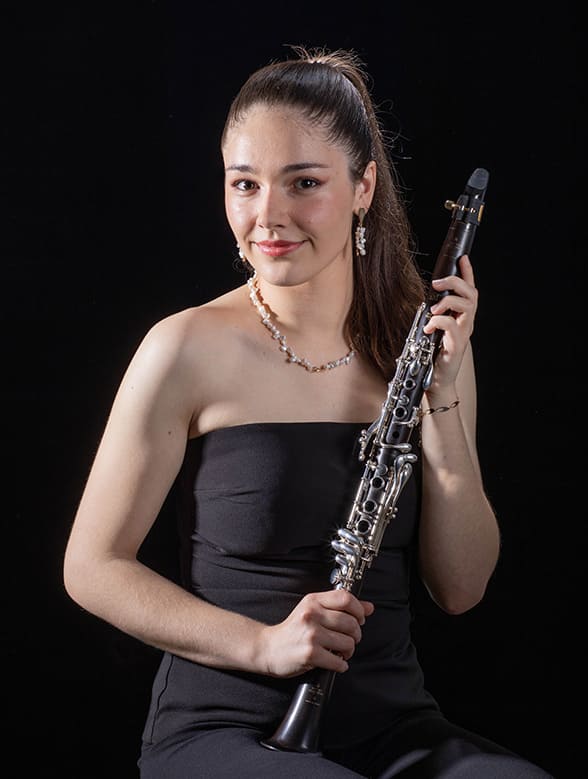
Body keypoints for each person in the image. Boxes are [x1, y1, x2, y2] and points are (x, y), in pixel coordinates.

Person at [63, 46, 553, 778]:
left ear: (363, 187)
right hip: (224, 727)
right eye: (245, 184)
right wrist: (264, 645)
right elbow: (91, 567)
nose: (268, 216)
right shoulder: (183, 347)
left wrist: (441, 396)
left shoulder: (425, 344)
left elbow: (461, 587)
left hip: (393, 726)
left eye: (304, 182)